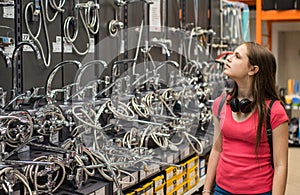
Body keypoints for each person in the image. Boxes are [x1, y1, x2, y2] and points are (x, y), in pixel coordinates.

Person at [203, 42, 289, 195]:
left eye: (237, 56)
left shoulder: (274, 111)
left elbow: (280, 165)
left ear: (253, 69)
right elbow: (217, 149)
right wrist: (206, 190)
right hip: (222, 190)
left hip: (259, 191)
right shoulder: (221, 104)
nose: (228, 58)